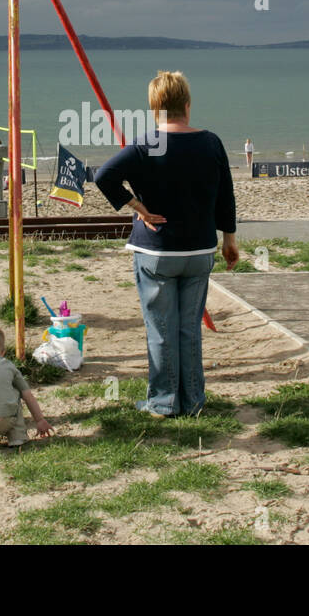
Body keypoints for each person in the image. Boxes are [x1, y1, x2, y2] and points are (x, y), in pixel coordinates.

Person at [94, 71, 239, 418]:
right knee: (189, 330)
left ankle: (163, 401)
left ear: (154, 109)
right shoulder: (211, 142)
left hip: (156, 251)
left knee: (161, 331)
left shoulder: (147, 144)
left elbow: (104, 176)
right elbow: (226, 195)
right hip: (199, 250)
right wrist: (229, 239)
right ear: (187, 106)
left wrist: (137, 207)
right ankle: (192, 402)